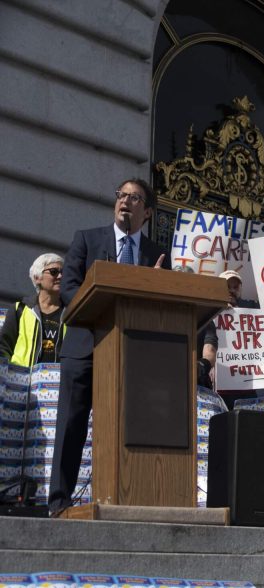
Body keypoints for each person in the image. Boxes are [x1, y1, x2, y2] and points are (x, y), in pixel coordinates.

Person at [49, 178, 169, 517]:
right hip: (85, 348)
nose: (125, 202)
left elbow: (166, 302)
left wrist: (157, 285)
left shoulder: (156, 255)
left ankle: (125, 498)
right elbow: (68, 289)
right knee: (70, 426)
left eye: (134, 198)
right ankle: (59, 502)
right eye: (121, 195)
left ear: (147, 212)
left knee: (128, 429)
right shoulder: (87, 240)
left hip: (132, 354)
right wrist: (97, 302)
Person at [0, 253, 66, 366]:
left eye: (63, 272)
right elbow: (4, 347)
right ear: (37, 278)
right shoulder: (19, 309)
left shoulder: (71, 311)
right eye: (54, 272)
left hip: (60, 377)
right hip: (21, 376)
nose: (60, 276)